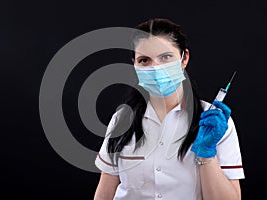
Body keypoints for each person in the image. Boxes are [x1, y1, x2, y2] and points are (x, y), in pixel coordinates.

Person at [93, 18, 244, 200]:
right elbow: (104, 194)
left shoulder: (213, 121)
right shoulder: (122, 119)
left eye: (165, 57)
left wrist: (207, 155)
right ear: (135, 65)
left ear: (184, 58)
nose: (155, 68)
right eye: (144, 60)